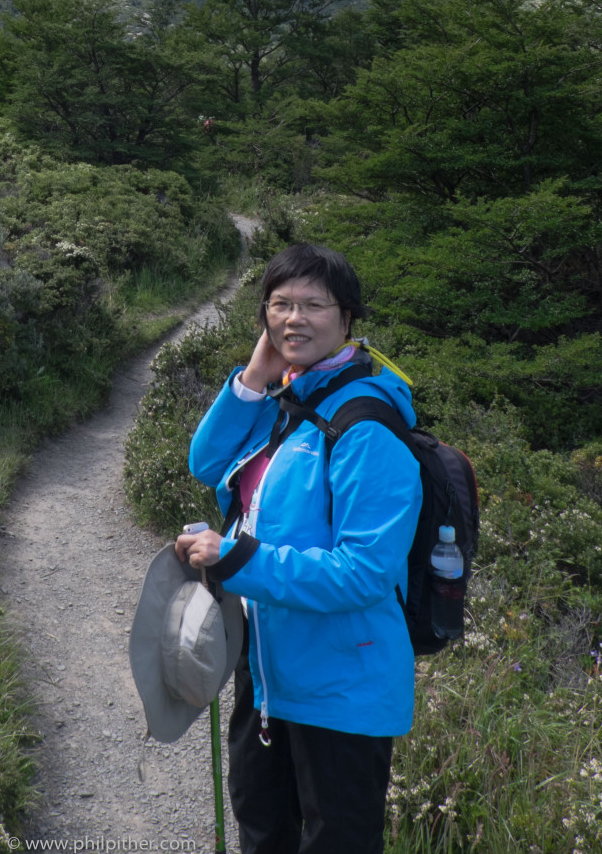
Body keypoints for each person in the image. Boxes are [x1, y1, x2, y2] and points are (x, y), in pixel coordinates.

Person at [175, 243, 422, 854]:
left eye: (314, 304)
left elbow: (364, 572)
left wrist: (238, 561)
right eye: (280, 304)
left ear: (347, 317)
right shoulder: (291, 400)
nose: (294, 319)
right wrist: (254, 379)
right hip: (266, 671)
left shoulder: (365, 426)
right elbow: (207, 463)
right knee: (262, 827)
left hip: (342, 686)